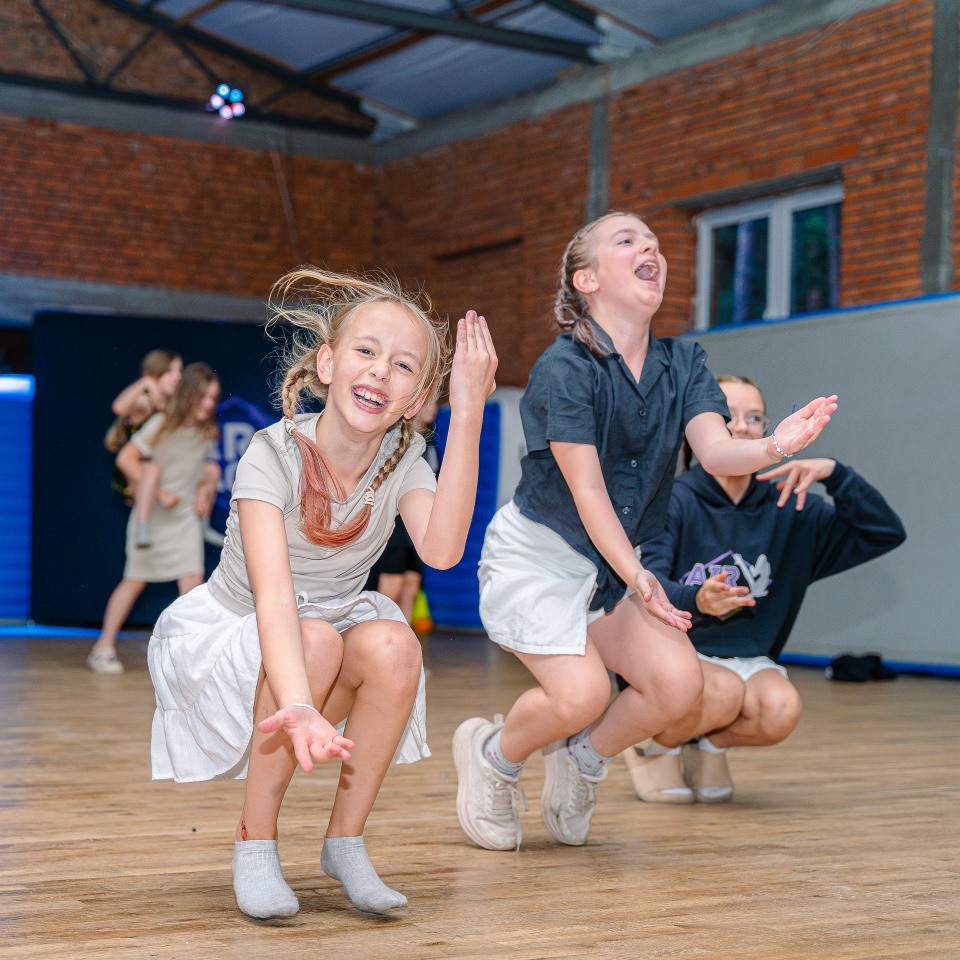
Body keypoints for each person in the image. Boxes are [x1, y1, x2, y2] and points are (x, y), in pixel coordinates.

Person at [453, 212, 838, 852]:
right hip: (541, 559)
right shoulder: (564, 367)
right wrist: (639, 575)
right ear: (587, 280)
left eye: (654, 242)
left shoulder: (684, 362)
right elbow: (588, 490)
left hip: (611, 567)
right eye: (627, 240)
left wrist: (776, 445)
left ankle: (581, 759)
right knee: (581, 694)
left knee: (678, 684)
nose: (649, 248)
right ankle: (494, 754)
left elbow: (715, 451)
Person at [147, 268, 496, 920]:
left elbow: (443, 551)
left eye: (403, 366)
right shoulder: (271, 454)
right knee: (315, 640)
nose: (380, 371)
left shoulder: (404, 461)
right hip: (243, 636)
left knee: (396, 647)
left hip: (325, 628)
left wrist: (469, 413)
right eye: (366, 351)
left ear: (417, 397)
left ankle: (345, 842)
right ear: (328, 364)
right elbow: (276, 602)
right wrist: (301, 704)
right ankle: (254, 842)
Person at [620, 375, 906, 804]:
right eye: (727, 416)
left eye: (754, 417)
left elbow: (883, 532)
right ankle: (652, 745)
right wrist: (697, 600)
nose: (741, 426)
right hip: (673, 657)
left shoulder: (790, 504)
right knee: (722, 692)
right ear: (696, 429)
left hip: (746, 658)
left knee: (781, 710)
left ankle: (709, 747)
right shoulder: (670, 499)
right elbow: (649, 587)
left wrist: (836, 474)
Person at [87, 363, 222, 675]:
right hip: (154, 517)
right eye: (202, 396)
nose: (208, 404)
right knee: (134, 580)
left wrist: (204, 490)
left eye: (213, 398)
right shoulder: (162, 423)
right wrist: (159, 492)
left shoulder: (206, 431)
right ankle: (102, 647)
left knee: (192, 584)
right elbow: (126, 459)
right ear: (187, 394)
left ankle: (190, 655)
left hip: (184, 518)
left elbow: (201, 468)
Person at [363, 401, 441, 625]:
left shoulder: (430, 440)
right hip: (395, 522)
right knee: (391, 588)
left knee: (411, 584)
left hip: (417, 523)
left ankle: (405, 637)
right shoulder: (395, 437)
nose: (433, 408)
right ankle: (374, 636)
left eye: (435, 404)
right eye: (428, 404)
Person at [104, 348, 183, 504]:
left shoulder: (172, 405)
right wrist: (145, 382)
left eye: (180, 371)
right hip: (132, 476)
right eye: (169, 371)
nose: (177, 376)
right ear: (152, 374)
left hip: (158, 473)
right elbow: (119, 407)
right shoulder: (145, 402)